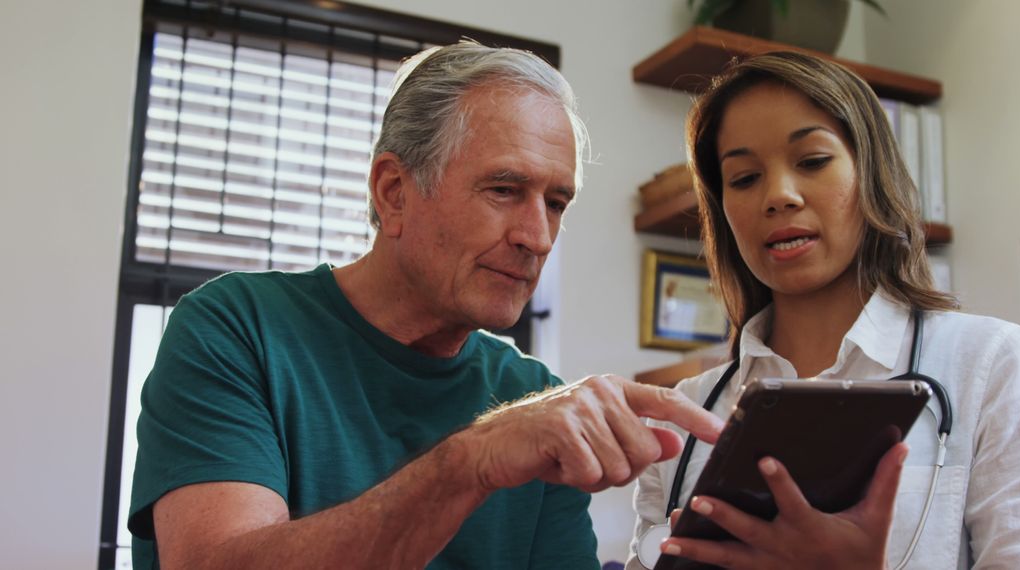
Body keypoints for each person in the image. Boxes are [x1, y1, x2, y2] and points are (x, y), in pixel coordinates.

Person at [128, 41, 729, 570]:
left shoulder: (533, 391)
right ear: (393, 193)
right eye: (504, 190)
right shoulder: (236, 330)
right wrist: (472, 461)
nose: (538, 237)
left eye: (555, 203)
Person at [627, 51, 1020, 569]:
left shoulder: (993, 367)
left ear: (871, 174)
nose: (779, 195)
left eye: (813, 161)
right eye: (745, 178)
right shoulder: (687, 414)